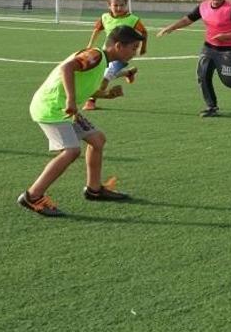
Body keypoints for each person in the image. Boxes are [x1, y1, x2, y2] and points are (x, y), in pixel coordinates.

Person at [18, 26, 145, 216]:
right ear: (118, 46)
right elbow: (66, 67)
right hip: (52, 108)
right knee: (71, 151)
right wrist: (70, 99)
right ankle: (33, 196)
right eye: (133, 47)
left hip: (65, 109)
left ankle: (94, 190)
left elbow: (85, 85)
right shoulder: (94, 55)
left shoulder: (102, 61)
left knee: (97, 140)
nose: (135, 52)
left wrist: (108, 95)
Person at [157, 0, 231, 117]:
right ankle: (211, 107)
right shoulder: (203, 7)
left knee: (228, 81)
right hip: (209, 48)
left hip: (229, 50)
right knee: (203, 76)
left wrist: (227, 36)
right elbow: (187, 20)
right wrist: (171, 27)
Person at [82, 0, 147, 111]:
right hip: (107, 52)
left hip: (123, 54)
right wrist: (90, 45)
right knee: (105, 72)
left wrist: (142, 48)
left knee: (105, 77)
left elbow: (144, 32)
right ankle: (128, 73)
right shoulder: (105, 17)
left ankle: (91, 101)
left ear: (126, 5)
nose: (119, 8)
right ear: (109, 6)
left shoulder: (133, 19)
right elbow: (97, 30)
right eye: (115, 5)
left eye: (122, 5)